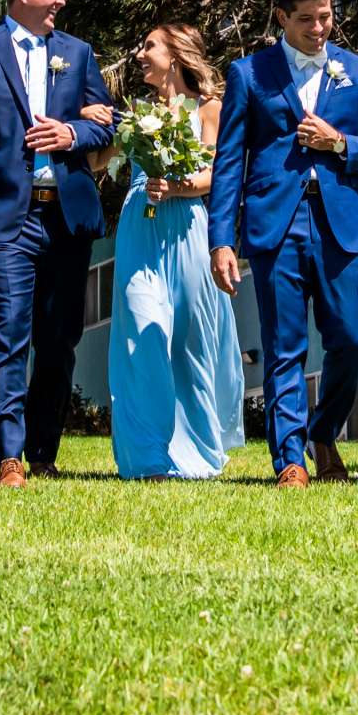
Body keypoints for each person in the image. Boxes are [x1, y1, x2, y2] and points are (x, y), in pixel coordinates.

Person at [206, 0, 358, 488]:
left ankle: (322, 431)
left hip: (342, 222)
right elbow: (229, 163)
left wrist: (340, 142)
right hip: (276, 223)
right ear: (281, 18)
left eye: (326, 17)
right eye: (307, 19)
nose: (319, 28)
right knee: (283, 345)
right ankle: (289, 458)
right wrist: (222, 239)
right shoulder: (249, 73)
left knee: (354, 335)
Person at [0, 0, 115, 488]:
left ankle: (43, 450)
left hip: (66, 215)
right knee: (10, 332)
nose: (62, 2)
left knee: (59, 337)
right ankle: (10, 457)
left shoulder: (79, 53)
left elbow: (108, 126)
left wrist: (71, 134)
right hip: (3, 216)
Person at [103, 25, 246, 479]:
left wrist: (179, 186)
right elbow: (99, 162)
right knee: (141, 329)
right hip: (139, 226)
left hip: (187, 228)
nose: (139, 54)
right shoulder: (133, 114)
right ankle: (147, 457)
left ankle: (197, 455)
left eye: (148, 46)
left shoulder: (209, 109)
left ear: (176, 55)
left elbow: (218, 176)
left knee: (189, 339)